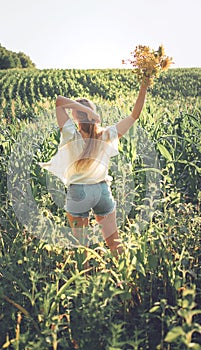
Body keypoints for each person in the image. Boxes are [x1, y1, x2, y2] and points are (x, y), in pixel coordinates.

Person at [40, 78, 150, 255]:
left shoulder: (70, 134)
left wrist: (83, 110)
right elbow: (134, 115)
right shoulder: (106, 135)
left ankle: (85, 280)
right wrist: (143, 86)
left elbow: (59, 101)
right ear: (94, 114)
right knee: (114, 244)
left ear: (75, 116)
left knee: (82, 248)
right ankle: (123, 278)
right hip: (102, 191)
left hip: (78, 192)